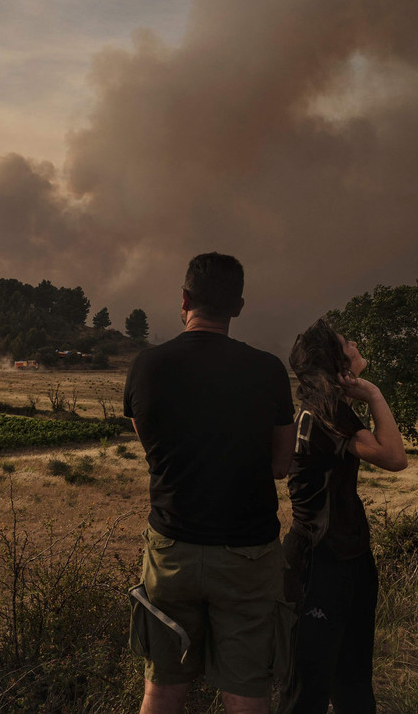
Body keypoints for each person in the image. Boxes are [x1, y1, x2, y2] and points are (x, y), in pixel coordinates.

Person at [123, 252, 297, 714]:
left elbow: (151, 449)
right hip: (247, 554)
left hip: (172, 551)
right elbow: (282, 465)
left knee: (161, 690)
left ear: (184, 299)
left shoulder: (148, 366)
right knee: (246, 690)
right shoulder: (268, 370)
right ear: (238, 307)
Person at [279, 319, 407, 714]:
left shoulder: (322, 409)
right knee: (315, 686)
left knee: (337, 679)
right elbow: (394, 457)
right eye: (346, 344)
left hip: (338, 555)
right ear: (340, 367)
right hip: (323, 560)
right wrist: (374, 394)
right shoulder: (328, 413)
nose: (355, 343)